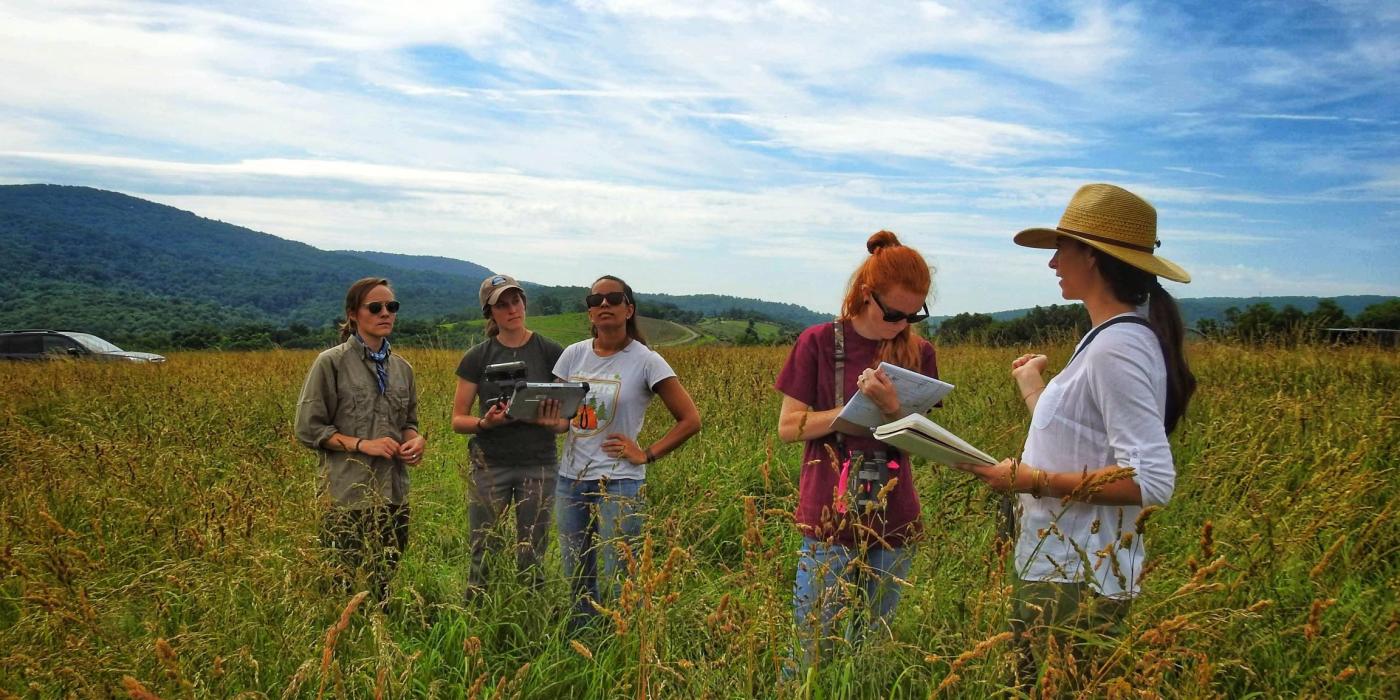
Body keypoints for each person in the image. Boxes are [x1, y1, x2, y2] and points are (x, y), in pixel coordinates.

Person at [953, 183, 1196, 688]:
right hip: (1061, 563)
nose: (1053, 263)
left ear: (1092, 255)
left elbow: (1152, 480)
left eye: (1061, 249)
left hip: (1078, 574)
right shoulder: (1108, 338)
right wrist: (1032, 386)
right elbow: (1078, 435)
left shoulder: (1118, 347)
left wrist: (1030, 480)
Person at [774, 231, 940, 669]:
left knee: (873, 651)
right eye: (894, 313)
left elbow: (925, 438)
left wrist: (894, 409)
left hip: (896, 512)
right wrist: (855, 410)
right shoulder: (818, 343)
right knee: (811, 647)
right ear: (867, 295)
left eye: (914, 315)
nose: (903, 324)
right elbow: (790, 427)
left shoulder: (920, 350)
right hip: (829, 513)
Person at [552, 275, 701, 632]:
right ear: (589, 312)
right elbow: (560, 422)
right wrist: (532, 415)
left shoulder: (647, 361)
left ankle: (622, 642)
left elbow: (690, 419)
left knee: (619, 571)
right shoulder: (573, 354)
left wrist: (646, 454)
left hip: (620, 482)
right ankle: (583, 642)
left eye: (613, 298)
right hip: (570, 478)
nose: (604, 305)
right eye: (595, 300)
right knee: (576, 570)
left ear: (628, 309)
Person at [295, 277, 426, 607]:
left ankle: (380, 638)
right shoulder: (332, 363)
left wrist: (414, 441)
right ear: (354, 314)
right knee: (340, 582)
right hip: (345, 494)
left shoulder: (402, 369)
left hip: (394, 493)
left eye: (391, 307)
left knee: (384, 582)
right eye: (375, 307)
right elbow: (308, 428)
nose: (386, 313)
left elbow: (408, 422)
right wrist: (360, 444)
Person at [451, 274, 566, 599]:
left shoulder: (550, 352)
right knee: (483, 548)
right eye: (501, 305)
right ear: (490, 313)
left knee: (532, 551)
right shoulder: (478, 356)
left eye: (515, 301)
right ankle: (475, 618)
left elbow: (566, 421)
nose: (511, 309)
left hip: (538, 464)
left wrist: (550, 423)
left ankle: (528, 619)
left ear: (524, 303)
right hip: (490, 465)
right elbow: (458, 420)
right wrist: (485, 423)